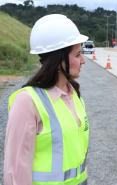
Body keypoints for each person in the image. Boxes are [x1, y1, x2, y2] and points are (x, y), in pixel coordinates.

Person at [4, 14, 89, 185]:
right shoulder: (27, 102)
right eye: (78, 54)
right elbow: (16, 171)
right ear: (59, 60)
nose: (83, 61)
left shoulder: (74, 94)